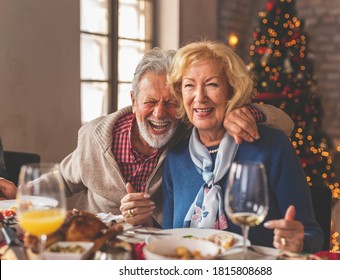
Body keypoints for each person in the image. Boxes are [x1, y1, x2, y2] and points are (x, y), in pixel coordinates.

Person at [0, 47, 293, 227]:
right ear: (133, 99)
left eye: (171, 102)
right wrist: (21, 193)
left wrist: (243, 113)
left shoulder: (189, 135)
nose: (160, 113)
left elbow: (285, 123)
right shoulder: (96, 137)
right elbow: (63, 178)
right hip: (97, 244)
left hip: (155, 247)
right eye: (150, 101)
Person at [162, 41, 323, 253]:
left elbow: (312, 234)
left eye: (212, 84)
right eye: (189, 85)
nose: (199, 97)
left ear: (231, 91)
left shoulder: (271, 146)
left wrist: (298, 241)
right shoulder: (175, 157)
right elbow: (168, 238)